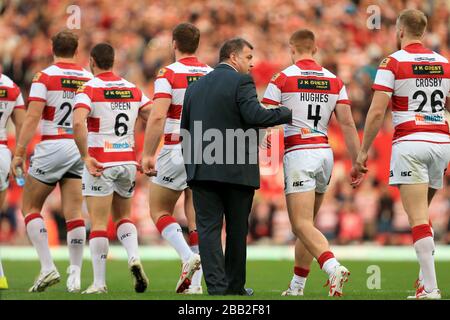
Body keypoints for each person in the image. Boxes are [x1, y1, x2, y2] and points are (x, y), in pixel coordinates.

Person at [181, 38, 292, 295]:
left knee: (208, 231)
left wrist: (193, 170)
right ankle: (235, 287)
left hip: (202, 170)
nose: (252, 64)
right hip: (236, 171)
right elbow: (255, 115)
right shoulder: (241, 81)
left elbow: (184, 131)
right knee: (236, 230)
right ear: (233, 57)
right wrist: (286, 113)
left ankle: (217, 289)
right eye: (249, 57)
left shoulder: (194, 87)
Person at [355, 9, 450, 300]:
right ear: (423, 31)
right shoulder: (444, 62)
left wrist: (363, 152)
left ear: (399, 32)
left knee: (418, 219)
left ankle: (431, 289)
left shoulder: (393, 62)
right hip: (441, 141)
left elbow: (376, 111)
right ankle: (424, 284)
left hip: (410, 141)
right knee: (424, 218)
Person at [262, 29, 363, 297]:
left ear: (292, 49)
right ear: (315, 50)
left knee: (300, 225)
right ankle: (297, 286)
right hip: (324, 152)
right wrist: (357, 161)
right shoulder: (334, 80)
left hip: (299, 152)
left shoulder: (282, 78)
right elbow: (348, 123)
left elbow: (264, 118)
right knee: (307, 225)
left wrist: (264, 150)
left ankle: (332, 266)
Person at [11, 30, 93, 293]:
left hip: (52, 141)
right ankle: (75, 275)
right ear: (77, 51)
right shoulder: (88, 78)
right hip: (80, 145)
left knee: (30, 206)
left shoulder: (44, 76)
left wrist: (20, 151)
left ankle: (47, 267)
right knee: (74, 212)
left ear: (52, 48)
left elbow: (33, 116)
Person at [73, 43, 151, 294]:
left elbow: (77, 123)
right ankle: (133, 256)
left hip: (101, 162)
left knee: (98, 223)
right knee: (123, 217)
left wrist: (85, 156)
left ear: (92, 61)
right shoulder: (132, 88)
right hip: (128, 161)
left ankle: (99, 282)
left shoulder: (89, 89)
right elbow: (152, 115)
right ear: (113, 60)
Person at [141, 23, 212, 294]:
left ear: (174, 44)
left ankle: (186, 256)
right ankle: (195, 285)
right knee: (195, 218)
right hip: (207, 150)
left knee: (158, 210)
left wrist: (148, 153)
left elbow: (158, 115)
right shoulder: (210, 73)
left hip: (176, 147)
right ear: (197, 44)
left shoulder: (168, 73)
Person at [0, 72, 26, 289]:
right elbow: (22, 123)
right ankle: (0, 275)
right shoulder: (11, 87)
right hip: (1, 152)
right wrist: (19, 154)